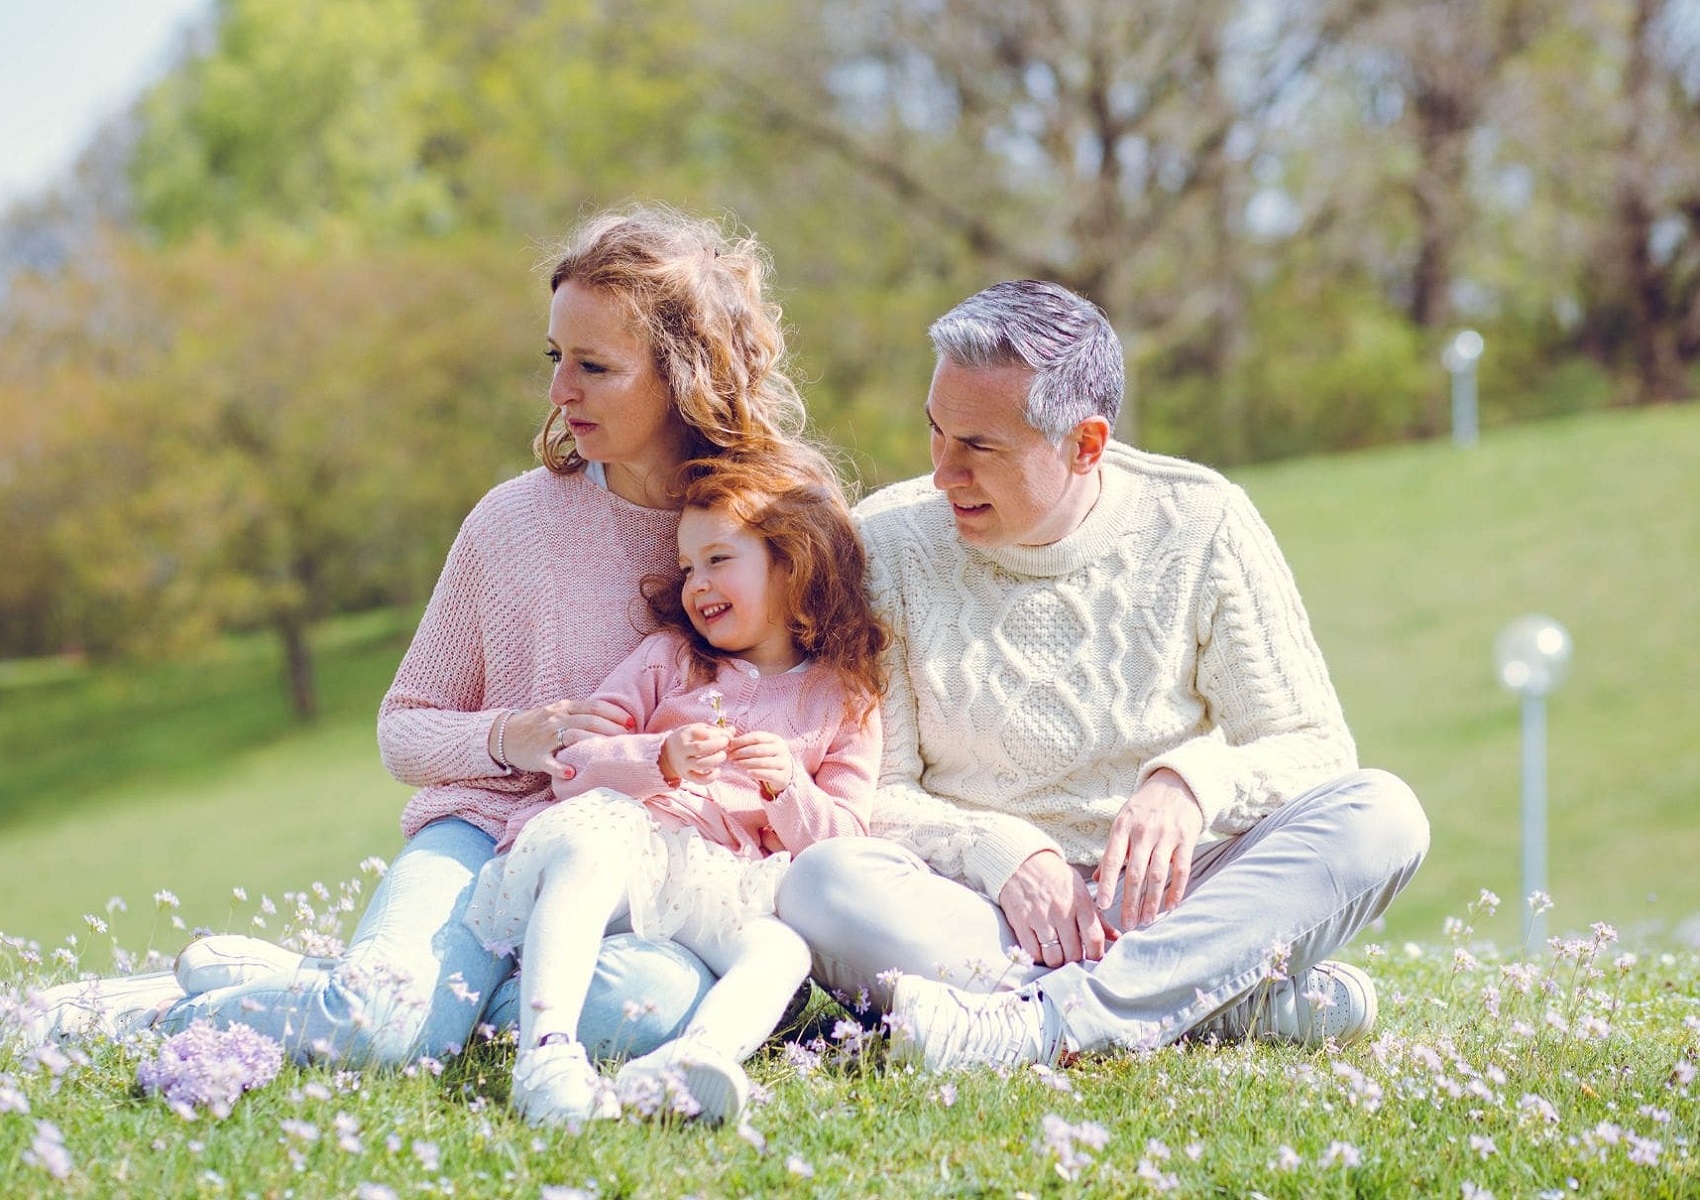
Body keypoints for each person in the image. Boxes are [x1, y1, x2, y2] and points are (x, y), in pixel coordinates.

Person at [21, 204, 824, 1069]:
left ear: (683, 376)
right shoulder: (510, 525)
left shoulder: (773, 527)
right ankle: (129, 1014)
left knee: (650, 1003)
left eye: (594, 366)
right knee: (381, 1025)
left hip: (650, 874)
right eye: (556, 360)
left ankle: (345, 988)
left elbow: (839, 699)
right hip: (482, 835)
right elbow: (403, 728)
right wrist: (516, 736)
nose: (560, 392)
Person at [775, 279, 1431, 1070]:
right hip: (986, 911)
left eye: (979, 447)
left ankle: (1038, 1023)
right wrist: (996, 849)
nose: (945, 471)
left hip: (1172, 902)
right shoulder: (885, 542)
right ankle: (1202, 1003)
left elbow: (1315, 747)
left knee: (1383, 813)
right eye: (935, 433)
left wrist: (1192, 782)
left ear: (1085, 445)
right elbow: (870, 792)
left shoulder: (1202, 521)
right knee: (822, 881)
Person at [465, 454, 885, 1126]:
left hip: (718, 879)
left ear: (793, 562)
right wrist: (655, 757)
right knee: (590, 851)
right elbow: (573, 760)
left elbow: (847, 845)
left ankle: (690, 1064)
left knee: (781, 951)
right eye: (689, 568)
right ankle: (546, 1056)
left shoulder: (844, 700)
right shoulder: (671, 658)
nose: (697, 584)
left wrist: (788, 788)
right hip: (625, 842)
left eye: (719, 560)